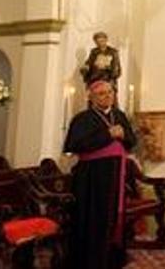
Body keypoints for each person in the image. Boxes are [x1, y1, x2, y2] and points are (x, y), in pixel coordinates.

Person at [64, 79, 137, 268]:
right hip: (92, 178)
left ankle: (112, 260)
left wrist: (123, 135)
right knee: (93, 219)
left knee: (114, 217)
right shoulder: (82, 119)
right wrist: (108, 135)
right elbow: (76, 145)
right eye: (102, 93)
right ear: (92, 96)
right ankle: (91, 261)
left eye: (110, 93)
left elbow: (131, 140)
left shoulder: (119, 115)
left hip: (116, 175)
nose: (107, 96)